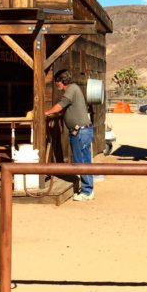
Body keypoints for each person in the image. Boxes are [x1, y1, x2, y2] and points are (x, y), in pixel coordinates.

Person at [44, 69, 94, 201]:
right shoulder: (73, 89)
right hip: (81, 131)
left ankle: (87, 191)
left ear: (61, 81)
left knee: (81, 162)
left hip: (80, 132)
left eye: (57, 82)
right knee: (85, 161)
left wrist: (45, 113)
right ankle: (88, 189)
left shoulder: (71, 89)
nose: (57, 85)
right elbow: (66, 110)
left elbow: (61, 106)